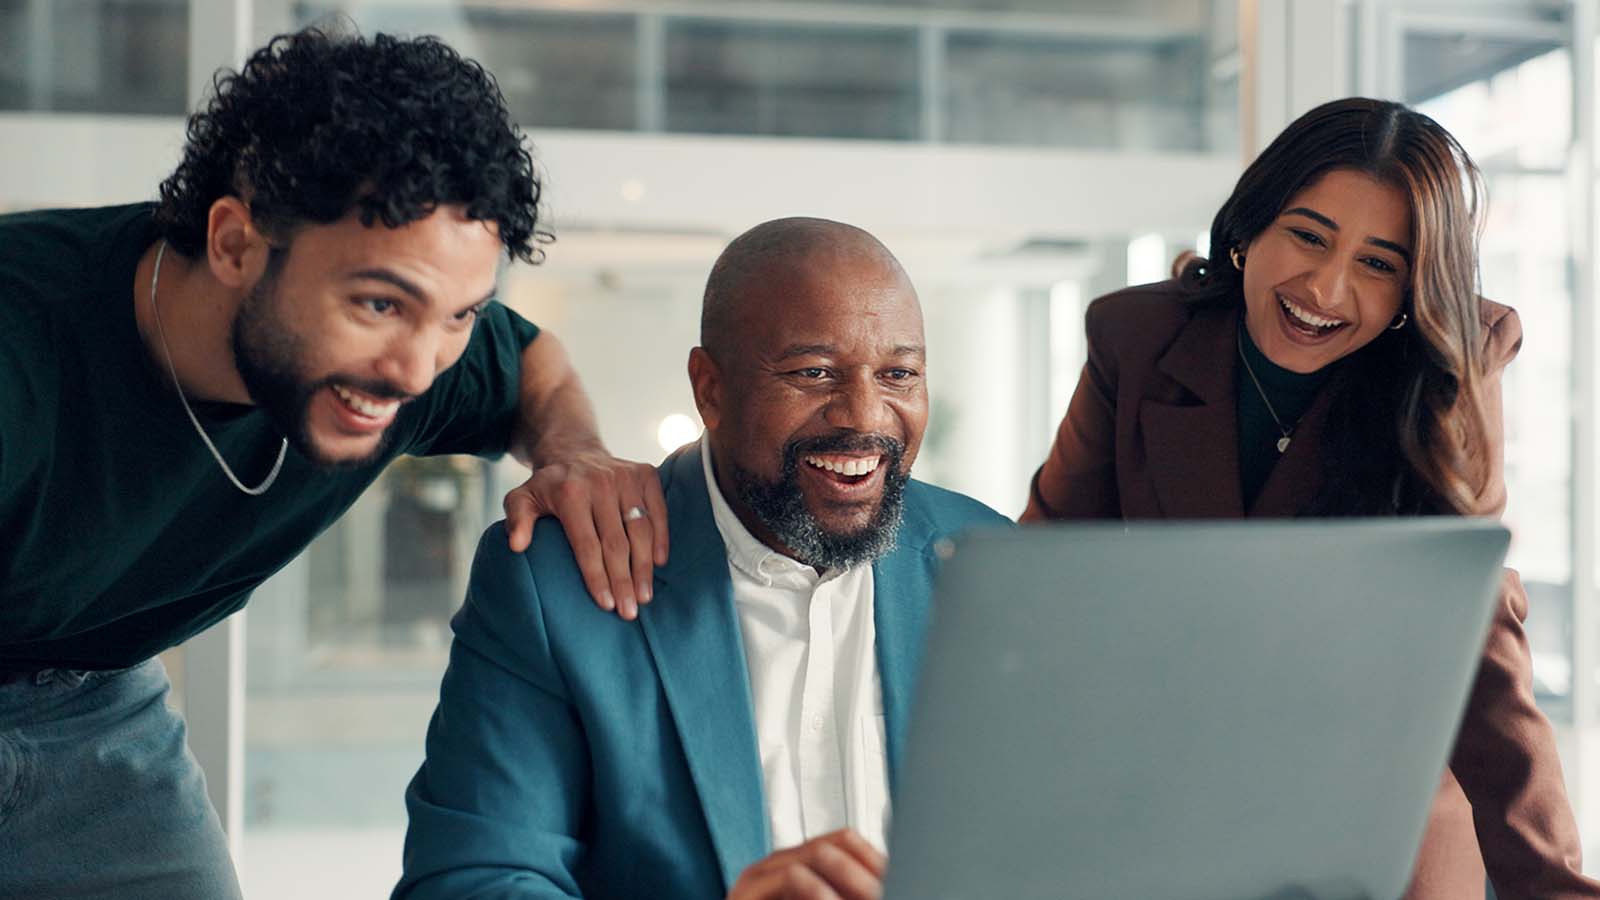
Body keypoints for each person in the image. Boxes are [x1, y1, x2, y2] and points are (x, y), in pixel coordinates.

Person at [0, 27, 667, 900]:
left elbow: (530, 362)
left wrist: (575, 452)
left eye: (457, 314)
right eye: (380, 303)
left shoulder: (401, 358)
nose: (416, 368)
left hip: (96, 700)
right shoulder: (24, 350)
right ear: (236, 243)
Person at [1023, 97, 1597, 899]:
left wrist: (1554, 886)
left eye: (1378, 263)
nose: (1325, 289)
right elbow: (1041, 572)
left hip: (1387, 807)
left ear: (1412, 288)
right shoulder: (1138, 338)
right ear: (1249, 228)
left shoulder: (1448, 369)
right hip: (1184, 788)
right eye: (1308, 236)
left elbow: (1478, 634)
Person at [393, 217, 1007, 900]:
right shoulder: (554, 582)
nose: (864, 414)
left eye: (899, 373)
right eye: (814, 372)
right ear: (710, 389)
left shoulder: (998, 567)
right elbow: (468, 882)